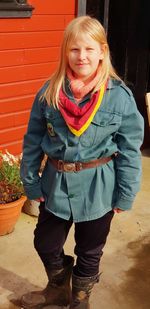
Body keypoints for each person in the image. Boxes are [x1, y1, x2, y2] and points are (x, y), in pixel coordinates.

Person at [20, 15, 144, 309]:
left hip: (99, 186)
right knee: (45, 242)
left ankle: (80, 299)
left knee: (90, 250)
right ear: (65, 52)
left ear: (102, 51)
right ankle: (58, 289)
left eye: (89, 49)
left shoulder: (119, 97)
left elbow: (129, 149)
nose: (82, 56)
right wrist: (30, 180)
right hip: (55, 183)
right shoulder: (49, 93)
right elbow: (32, 139)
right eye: (75, 49)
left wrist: (126, 194)